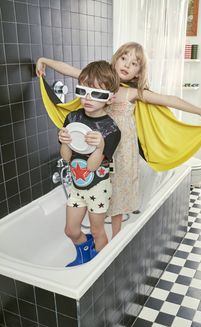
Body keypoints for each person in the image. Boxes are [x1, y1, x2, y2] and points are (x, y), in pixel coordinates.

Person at [36, 42, 201, 238]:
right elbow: (70, 70)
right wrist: (44, 60)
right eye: (124, 58)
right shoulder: (100, 82)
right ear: (116, 59)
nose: (127, 65)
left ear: (138, 73)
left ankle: (115, 237)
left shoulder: (133, 93)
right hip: (99, 148)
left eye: (134, 63)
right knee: (96, 186)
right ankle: (97, 229)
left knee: (119, 193)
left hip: (123, 152)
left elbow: (170, 99)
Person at [58, 60, 121, 266]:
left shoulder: (111, 129)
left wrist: (100, 147)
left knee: (96, 229)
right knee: (71, 230)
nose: (87, 98)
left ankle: (100, 267)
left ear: (109, 99)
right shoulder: (73, 117)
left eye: (96, 93)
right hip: (77, 187)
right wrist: (65, 141)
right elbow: (67, 157)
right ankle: (86, 253)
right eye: (83, 90)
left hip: (98, 189)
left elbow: (93, 166)